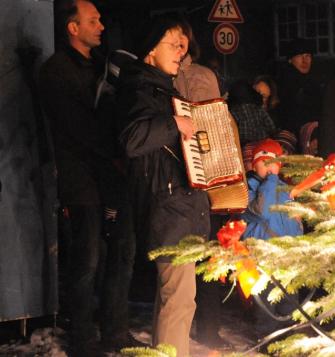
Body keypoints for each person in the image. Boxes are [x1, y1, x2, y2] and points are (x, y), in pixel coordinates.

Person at [38, 0, 137, 355]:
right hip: (82, 179)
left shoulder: (103, 66)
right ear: (72, 27)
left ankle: (116, 330)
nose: (101, 26)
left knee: (122, 253)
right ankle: (83, 338)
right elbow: (78, 127)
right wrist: (116, 151)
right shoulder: (57, 70)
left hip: (112, 175)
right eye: (92, 21)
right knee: (88, 259)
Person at [116, 15, 210, 356]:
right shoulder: (140, 88)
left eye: (183, 46)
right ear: (150, 51)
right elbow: (131, 139)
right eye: (173, 44)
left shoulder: (158, 87)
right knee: (179, 300)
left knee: (173, 297)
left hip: (176, 205)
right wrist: (174, 123)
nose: (181, 52)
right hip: (167, 205)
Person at [171, 19, 230, 350]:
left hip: (201, 176)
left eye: (181, 40)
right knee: (179, 257)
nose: (177, 47)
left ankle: (208, 327)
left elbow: (213, 129)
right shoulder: (158, 76)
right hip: (171, 179)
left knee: (205, 252)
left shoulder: (201, 76)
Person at [240, 139, 303, 337]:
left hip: (287, 257)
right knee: (265, 306)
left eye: (272, 163)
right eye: (263, 161)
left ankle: (289, 341)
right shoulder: (247, 189)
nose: (268, 167)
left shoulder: (285, 189)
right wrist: (271, 180)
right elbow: (262, 210)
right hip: (262, 257)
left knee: (290, 303)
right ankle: (266, 341)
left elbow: (296, 221)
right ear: (253, 163)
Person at [276, 38, 325, 138]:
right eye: (299, 56)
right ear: (290, 60)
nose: (305, 60)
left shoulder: (316, 81)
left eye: (308, 56)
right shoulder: (284, 82)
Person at [228, 79, 277, 145]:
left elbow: (273, 131)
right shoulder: (232, 110)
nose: (259, 96)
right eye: (257, 92)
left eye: (264, 96)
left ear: (268, 101)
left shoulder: (264, 113)